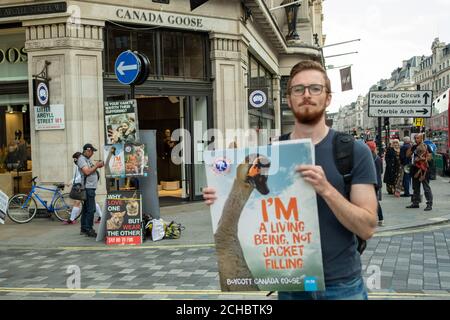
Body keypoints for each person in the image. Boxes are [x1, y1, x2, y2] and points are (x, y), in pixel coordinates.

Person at [203, 60, 378, 300]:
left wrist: (326, 189)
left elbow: (367, 228)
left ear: (327, 98)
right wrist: (219, 195)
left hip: (342, 287)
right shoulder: (271, 153)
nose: (306, 95)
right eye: (299, 89)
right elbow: (252, 201)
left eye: (315, 88)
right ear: (288, 98)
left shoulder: (353, 151)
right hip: (292, 288)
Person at [65, 152, 102, 225]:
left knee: (81, 202)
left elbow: (81, 176)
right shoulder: (82, 163)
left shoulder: (81, 163)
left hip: (83, 186)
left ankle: (73, 220)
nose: (75, 160)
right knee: (89, 202)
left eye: (75, 158)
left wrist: (71, 182)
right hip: (84, 186)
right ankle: (100, 217)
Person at [77, 143, 104, 237]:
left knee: (86, 209)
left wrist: (98, 165)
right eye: (92, 151)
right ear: (87, 150)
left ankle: (84, 228)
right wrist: (96, 165)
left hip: (90, 188)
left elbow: (91, 169)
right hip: (88, 188)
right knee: (91, 209)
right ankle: (89, 229)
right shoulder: (81, 159)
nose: (92, 153)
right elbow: (87, 171)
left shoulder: (86, 159)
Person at [406, 134, 433, 211]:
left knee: (426, 188)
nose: (416, 139)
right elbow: (407, 155)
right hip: (415, 169)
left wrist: (421, 159)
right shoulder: (414, 146)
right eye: (415, 138)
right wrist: (411, 147)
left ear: (421, 138)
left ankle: (429, 204)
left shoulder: (426, 146)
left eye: (417, 138)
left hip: (423, 169)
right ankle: (415, 202)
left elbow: (430, 157)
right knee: (415, 187)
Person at [366, 140, 384, 226]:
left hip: (371, 182)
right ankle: (378, 218)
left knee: (374, 201)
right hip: (377, 182)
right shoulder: (378, 158)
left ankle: (379, 218)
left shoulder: (368, 158)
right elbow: (381, 171)